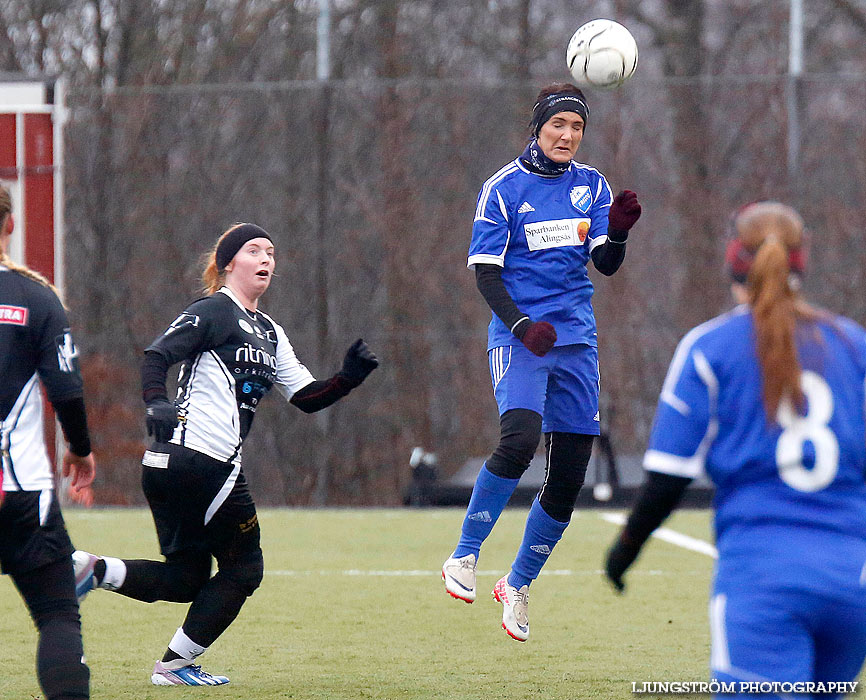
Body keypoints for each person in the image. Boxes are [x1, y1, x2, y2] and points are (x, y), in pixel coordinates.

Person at [73, 223, 378, 686]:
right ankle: (173, 668)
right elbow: (156, 356)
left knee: (187, 579)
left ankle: (93, 571)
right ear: (227, 262)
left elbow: (308, 397)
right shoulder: (216, 310)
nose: (266, 259)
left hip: (173, 465)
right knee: (244, 568)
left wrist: (348, 376)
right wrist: (156, 401)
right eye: (254, 250)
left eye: (271, 252)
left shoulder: (271, 332)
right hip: (201, 461)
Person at [605, 202, 866, 694]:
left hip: (762, 580)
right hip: (853, 583)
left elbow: (666, 479)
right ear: (801, 262)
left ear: (733, 260)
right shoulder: (853, 345)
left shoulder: (710, 347)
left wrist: (623, 552)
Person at [441, 83, 642, 641]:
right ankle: (465, 554)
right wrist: (522, 326)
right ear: (538, 129)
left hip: (576, 339)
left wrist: (618, 234)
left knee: (570, 471)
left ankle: (519, 584)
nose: (568, 136)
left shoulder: (592, 185)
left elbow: (604, 264)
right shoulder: (502, 189)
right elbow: (486, 272)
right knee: (521, 437)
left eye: (577, 128)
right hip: (521, 337)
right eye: (559, 126)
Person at [0, 184, 96, 699]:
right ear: (10, 224)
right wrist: (79, 451)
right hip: (22, 494)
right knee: (58, 614)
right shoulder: (36, 297)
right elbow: (66, 388)